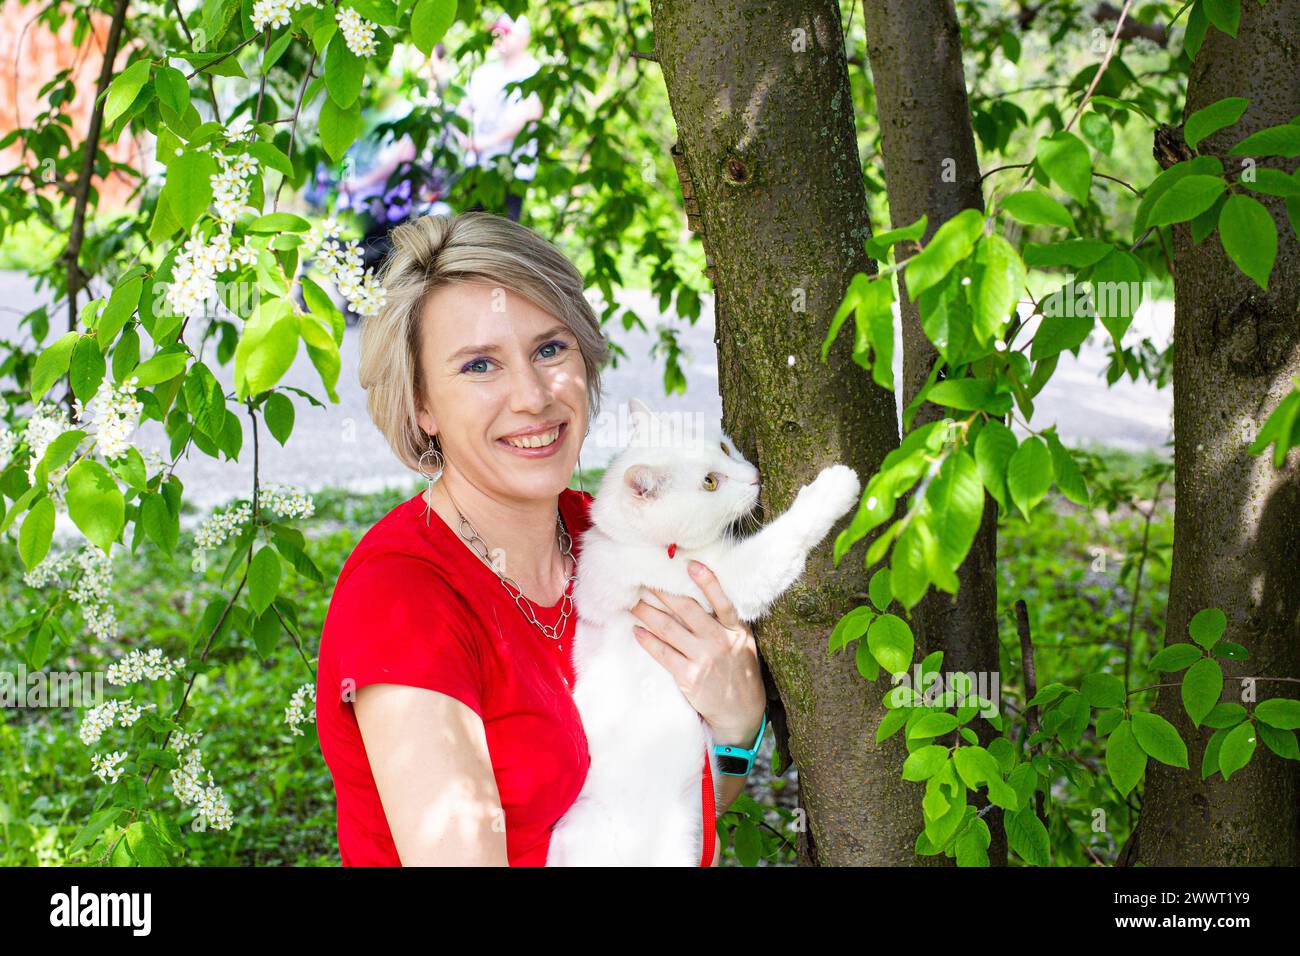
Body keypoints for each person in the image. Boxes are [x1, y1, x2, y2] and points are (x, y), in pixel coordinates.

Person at [315, 212, 766, 866]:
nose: (531, 396)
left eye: (550, 348)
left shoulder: (616, 540)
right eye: (479, 365)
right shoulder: (403, 599)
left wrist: (736, 728)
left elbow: (659, 811)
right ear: (422, 406)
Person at [454, 13, 543, 222]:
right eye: (496, 32)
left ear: (524, 38)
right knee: (469, 229)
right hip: (476, 168)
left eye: (506, 32)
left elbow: (529, 115)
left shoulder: (533, 71)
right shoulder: (484, 72)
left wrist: (481, 143)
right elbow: (464, 107)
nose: (499, 37)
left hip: (510, 172)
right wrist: (463, 138)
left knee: (502, 235)